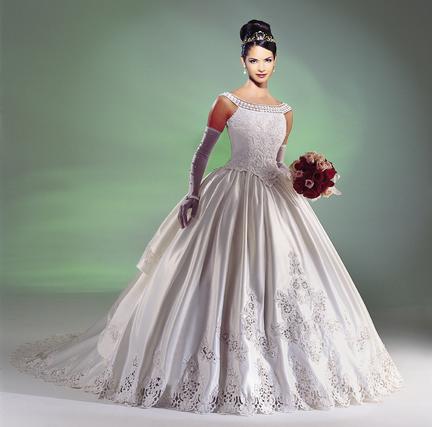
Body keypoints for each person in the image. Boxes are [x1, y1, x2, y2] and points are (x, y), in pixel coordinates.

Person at [9, 19, 404, 416]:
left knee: (282, 275)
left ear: (276, 62)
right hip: (231, 191)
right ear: (242, 61)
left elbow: (278, 162)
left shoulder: (285, 112)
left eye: (267, 60)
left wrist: (304, 179)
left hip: (273, 195)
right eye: (254, 60)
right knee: (218, 273)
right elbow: (201, 154)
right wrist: (193, 193)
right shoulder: (227, 102)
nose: (261, 67)